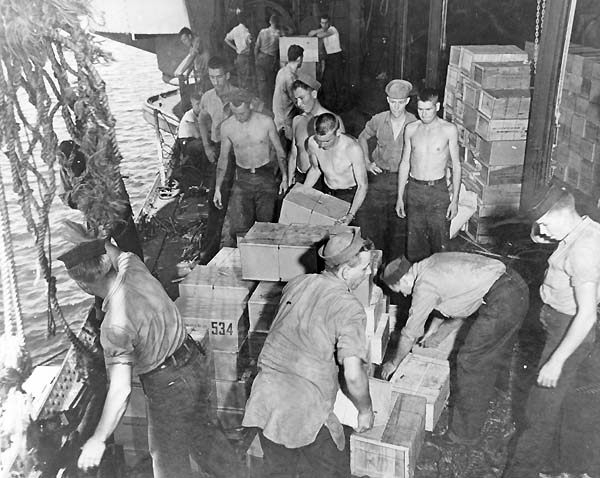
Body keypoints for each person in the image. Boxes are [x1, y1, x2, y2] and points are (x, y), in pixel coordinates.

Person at [59, 236, 242, 478]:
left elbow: (121, 390)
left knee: (168, 464)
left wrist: (99, 437)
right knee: (205, 437)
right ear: (106, 264)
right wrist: (99, 241)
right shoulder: (134, 268)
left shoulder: (114, 327)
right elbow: (116, 252)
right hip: (194, 362)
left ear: (83, 285)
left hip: (168, 386)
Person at [242, 230, 375, 477]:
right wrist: (366, 410)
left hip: (265, 398)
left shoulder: (297, 283)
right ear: (346, 272)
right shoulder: (350, 308)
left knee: (279, 471)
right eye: (365, 268)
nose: (368, 273)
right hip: (306, 408)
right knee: (332, 470)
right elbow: (354, 375)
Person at [380, 253, 529, 446]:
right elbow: (449, 293)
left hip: (503, 300)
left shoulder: (423, 285)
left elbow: (409, 333)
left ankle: (463, 435)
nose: (404, 295)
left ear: (403, 279)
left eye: (400, 290)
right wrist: (434, 328)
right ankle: (497, 389)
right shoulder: (429, 263)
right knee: (498, 343)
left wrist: (393, 363)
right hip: (515, 284)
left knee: (470, 361)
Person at [503, 184, 600, 478]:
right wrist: (542, 233)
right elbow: (558, 239)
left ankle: (521, 473)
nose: (541, 229)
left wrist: (556, 361)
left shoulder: (583, 251)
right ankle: (569, 467)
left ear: (560, 213)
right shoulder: (584, 228)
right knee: (567, 403)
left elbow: (585, 316)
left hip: (567, 330)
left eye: (544, 223)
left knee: (539, 412)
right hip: (559, 322)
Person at [396, 87, 461, 263]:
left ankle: (440, 281)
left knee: (440, 241)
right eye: (420, 110)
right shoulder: (411, 129)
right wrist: (400, 197)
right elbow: (404, 163)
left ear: (437, 106)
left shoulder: (449, 130)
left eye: (428, 109)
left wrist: (455, 200)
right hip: (415, 190)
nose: (424, 114)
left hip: (437, 191)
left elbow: (456, 165)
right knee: (414, 242)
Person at [213, 90, 287, 240]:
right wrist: (217, 188)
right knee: (239, 227)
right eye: (235, 114)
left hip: (265, 176)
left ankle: (266, 259)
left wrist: (285, 177)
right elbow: (223, 159)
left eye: (242, 113)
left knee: (266, 226)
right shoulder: (227, 127)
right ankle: (245, 258)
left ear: (250, 106)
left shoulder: (266, 122)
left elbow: (280, 152)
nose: (239, 118)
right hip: (242, 178)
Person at [357, 79, 417, 262]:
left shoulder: (414, 123)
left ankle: (393, 275)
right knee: (375, 227)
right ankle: (373, 272)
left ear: (406, 102)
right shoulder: (379, 119)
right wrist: (367, 163)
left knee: (398, 229)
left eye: (400, 103)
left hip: (402, 181)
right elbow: (362, 137)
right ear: (387, 100)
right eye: (392, 102)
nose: (396, 107)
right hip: (379, 179)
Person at [58, 140, 143, 259]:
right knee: (97, 257)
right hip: (94, 218)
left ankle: (140, 272)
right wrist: (74, 196)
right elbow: (64, 195)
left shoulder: (98, 158)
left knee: (132, 252)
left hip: (118, 212)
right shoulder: (65, 168)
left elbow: (116, 183)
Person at [197, 56, 240, 262]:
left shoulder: (239, 96)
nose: (216, 82)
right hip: (218, 150)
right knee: (216, 202)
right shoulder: (207, 97)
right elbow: (202, 119)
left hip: (238, 153)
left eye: (219, 77)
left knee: (242, 201)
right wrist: (206, 146)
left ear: (227, 75)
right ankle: (209, 252)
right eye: (212, 77)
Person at [304, 113, 367, 226]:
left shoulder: (353, 149)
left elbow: (363, 186)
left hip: (351, 196)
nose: (321, 145)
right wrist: (302, 193)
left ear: (338, 133)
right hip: (328, 193)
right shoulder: (312, 143)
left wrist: (350, 215)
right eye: (319, 140)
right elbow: (315, 169)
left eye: (327, 141)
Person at [287, 75, 344, 186]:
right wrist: (290, 178)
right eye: (296, 100)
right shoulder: (297, 120)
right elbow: (294, 153)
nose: (298, 104)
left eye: (302, 98)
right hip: (300, 178)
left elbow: (341, 158)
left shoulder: (334, 121)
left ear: (314, 94)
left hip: (322, 183)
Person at [174, 91, 211, 190]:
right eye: (197, 104)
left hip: (195, 141)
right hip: (186, 143)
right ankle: (204, 173)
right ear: (192, 104)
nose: (200, 107)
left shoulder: (202, 115)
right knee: (204, 147)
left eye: (202, 104)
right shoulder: (189, 116)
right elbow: (198, 135)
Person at [308, 14, 343, 109]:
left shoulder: (332, 29)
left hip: (337, 57)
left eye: (326, 23)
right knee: (328, 81)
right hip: (329, 58)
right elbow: (310, 34)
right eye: (322, 23)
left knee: (338, 82)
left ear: (329, 23)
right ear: (320, 23)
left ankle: (341, 106)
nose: (324, 25)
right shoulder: (325, 29)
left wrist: (317, 31)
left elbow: (320, 34)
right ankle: (330, 104)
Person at [272, 44, 304, 145]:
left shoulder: (282, 71)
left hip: (279, 117)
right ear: (299, 59)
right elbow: (297, 101)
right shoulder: (290, 77)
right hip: (285, 123)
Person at [176, 27, 210, 111]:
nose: (184, 42)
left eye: (185, 39)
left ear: (190, 36)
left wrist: (181, 71)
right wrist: (186, 74)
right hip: (199, 74)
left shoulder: (197, 42)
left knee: (204, 94)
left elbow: (192, 57)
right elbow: (192, 63)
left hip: (206, 72)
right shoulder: (191, 47)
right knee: (199, 94)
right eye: (182, 41)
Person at [254, 14, 283, 109]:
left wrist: (256, 58)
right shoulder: (279, 33)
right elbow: (291, 32)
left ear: (270, 21)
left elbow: (256, 47)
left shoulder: (263, 32)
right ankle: (270, 105)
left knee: (261, 83)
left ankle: (263, 105)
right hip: (271, 59)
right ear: (277, 22)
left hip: (261, 57)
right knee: (270, 83)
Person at [224, 10, 252, 89]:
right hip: (246, 56)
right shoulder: (246, 31)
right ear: (245, 19)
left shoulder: (235, 29)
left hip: (239, 56)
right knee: (247, 78)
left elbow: (226, 39)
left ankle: (241, 92)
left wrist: (235, 48)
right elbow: (249, 43)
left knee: (241, 77)